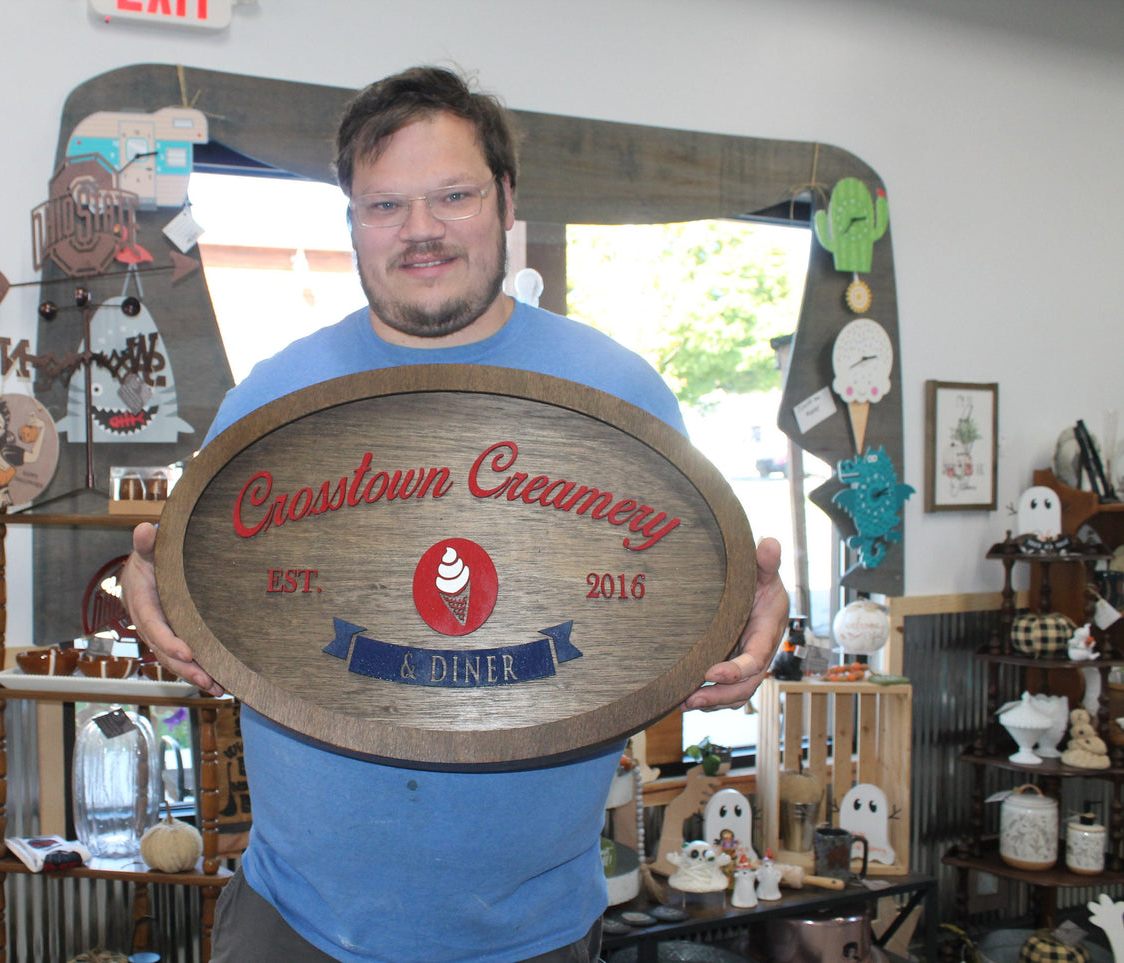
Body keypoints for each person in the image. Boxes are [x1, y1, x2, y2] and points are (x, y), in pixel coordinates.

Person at [120, 65, 789, 963]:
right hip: (296, 924)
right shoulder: (271, 405)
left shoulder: (618, 400)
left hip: (535, 933)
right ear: (351, 220)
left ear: (506, 199)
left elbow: (690, 592)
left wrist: (749, 617)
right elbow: (191, 576)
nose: (420, 229)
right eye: (384, 204)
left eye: (452, 195)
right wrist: (152, 586)